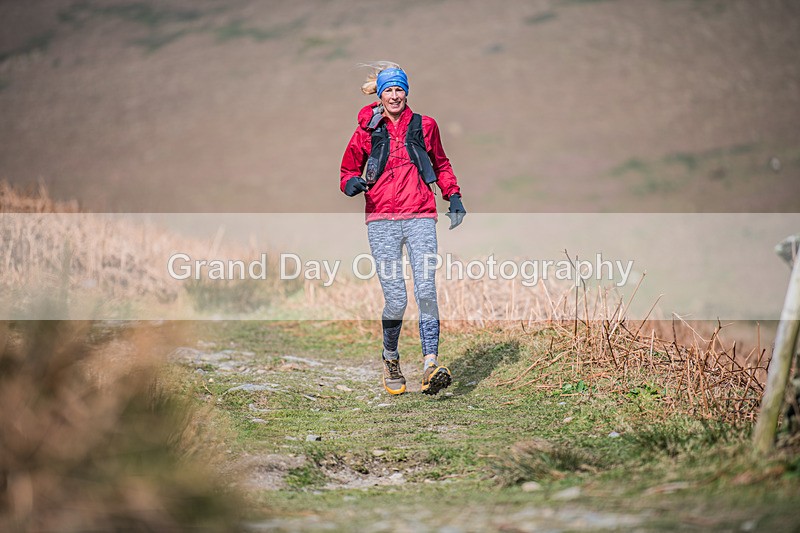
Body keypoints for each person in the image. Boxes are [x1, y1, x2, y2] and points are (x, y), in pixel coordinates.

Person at [340, 62, 466, 396]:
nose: (395, 96)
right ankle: (392, 359)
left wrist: (453, 196)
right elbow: (347, 169)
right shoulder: (367, 129)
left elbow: (440, 163)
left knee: (426, 290)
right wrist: (351, 182)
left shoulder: (426, 125)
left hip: (421, 215)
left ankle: (430, 365)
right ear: (380, 95)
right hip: (381, 218)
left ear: (406, 92)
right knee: (396, 298)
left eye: (399, 89)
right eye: (389, 90)